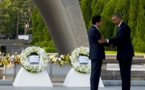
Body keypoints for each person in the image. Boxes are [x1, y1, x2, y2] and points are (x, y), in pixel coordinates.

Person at [98, 13, 134, 90]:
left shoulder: (125, 27)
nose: (113, 22)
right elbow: (119, 40)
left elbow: (120, 38)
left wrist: (107, 40)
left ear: (119, 19)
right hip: (121, 53)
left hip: (126, 53)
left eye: (114, 20)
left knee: (126, 73)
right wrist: (112, 45)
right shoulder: (118, 27)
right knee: (123, 73)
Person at [88, 15, 105, 90]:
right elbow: (100, 41)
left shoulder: (93, 29)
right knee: (95, 74)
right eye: (100, 21)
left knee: (95, 73)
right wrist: (109, 42)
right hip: (96, 55)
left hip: (95, 55)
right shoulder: (94, 30)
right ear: (97, 22)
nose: (101, 22)